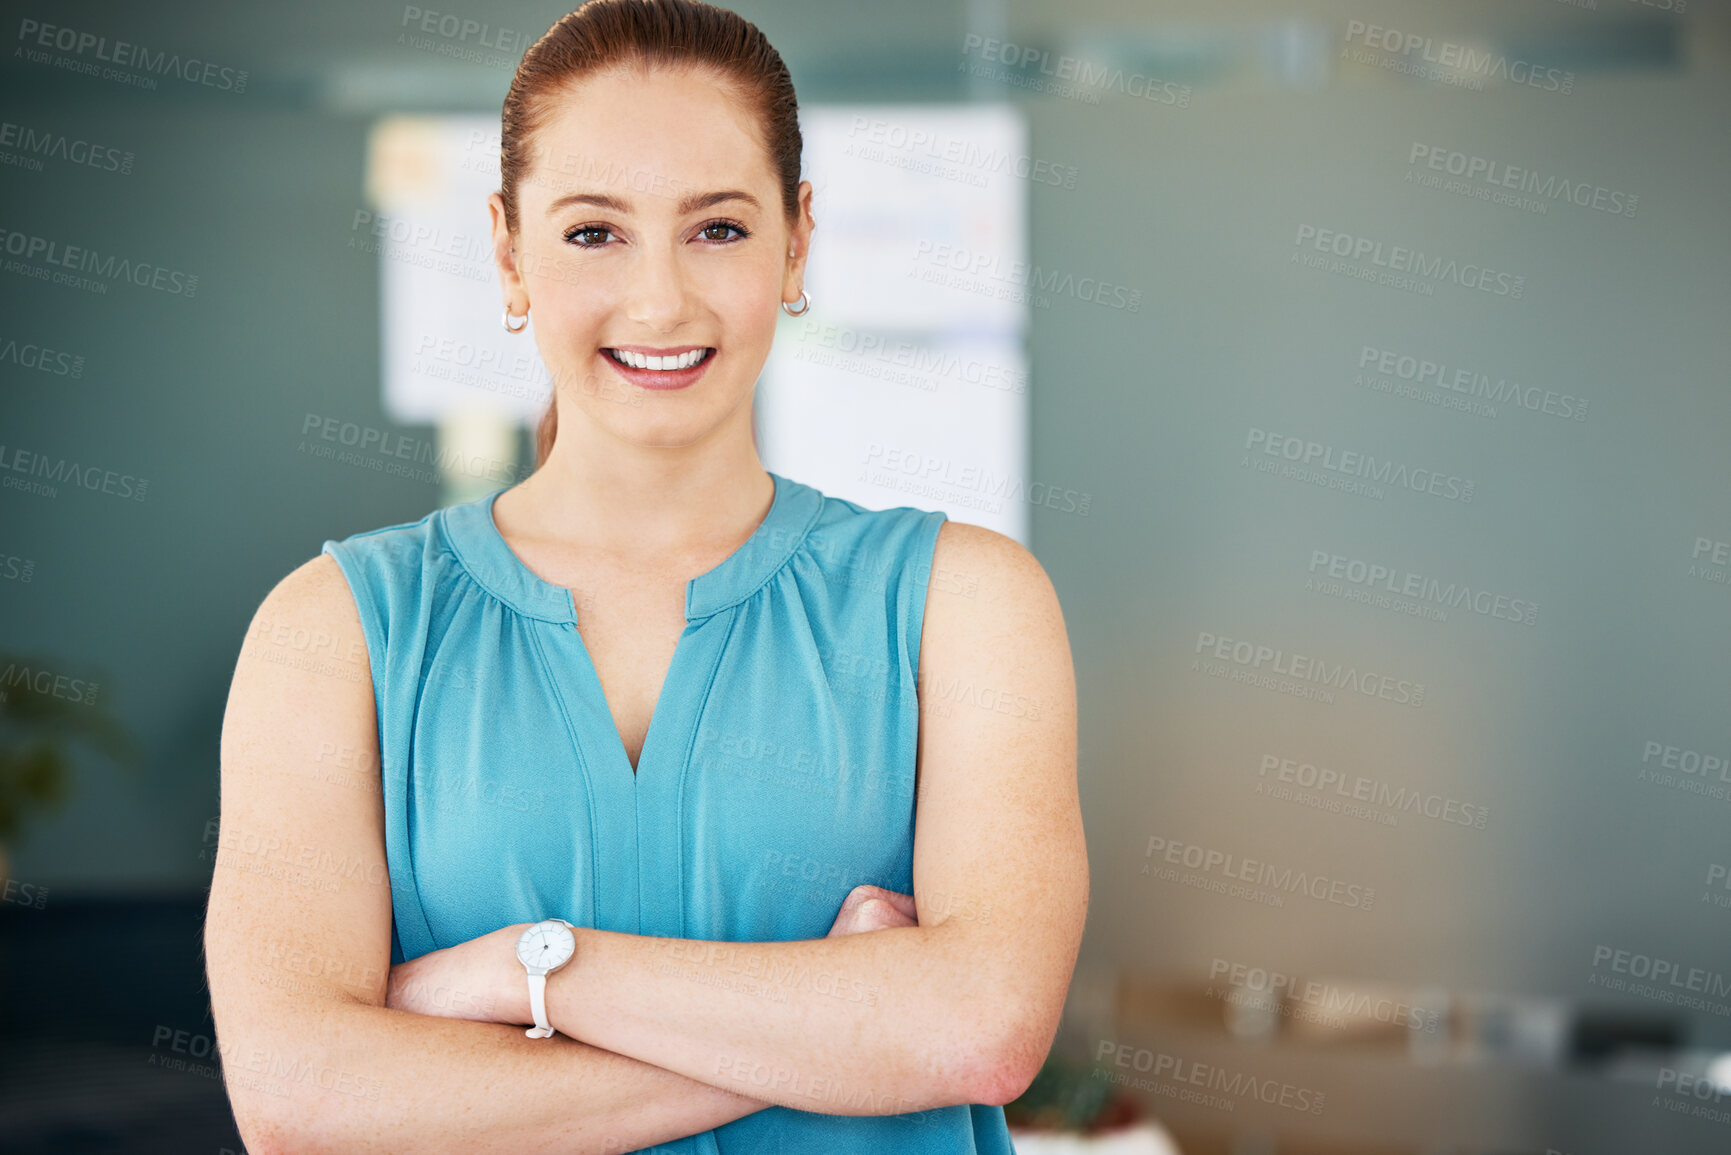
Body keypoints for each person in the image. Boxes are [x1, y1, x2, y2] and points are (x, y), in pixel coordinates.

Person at [204, 1, 1087, 1151]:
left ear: (798, 240)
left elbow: (982, 1030)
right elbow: (297, 1100)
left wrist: (537, 975)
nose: (660, 300)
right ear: (509, 250)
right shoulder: (331, 633)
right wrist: (842, 1020)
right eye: (591, 233)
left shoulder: (965, 606)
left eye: (718, 228)